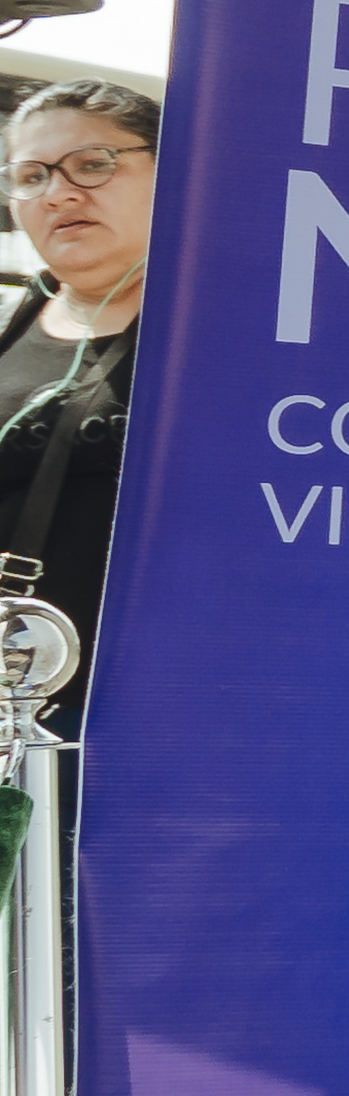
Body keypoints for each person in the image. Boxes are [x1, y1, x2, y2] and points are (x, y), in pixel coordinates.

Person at [0, 80, 157, 716]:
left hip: (128, 733)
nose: (60, 193)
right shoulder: (11, 322)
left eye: (94, 165)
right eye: (31, 176)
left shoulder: (231, 337)